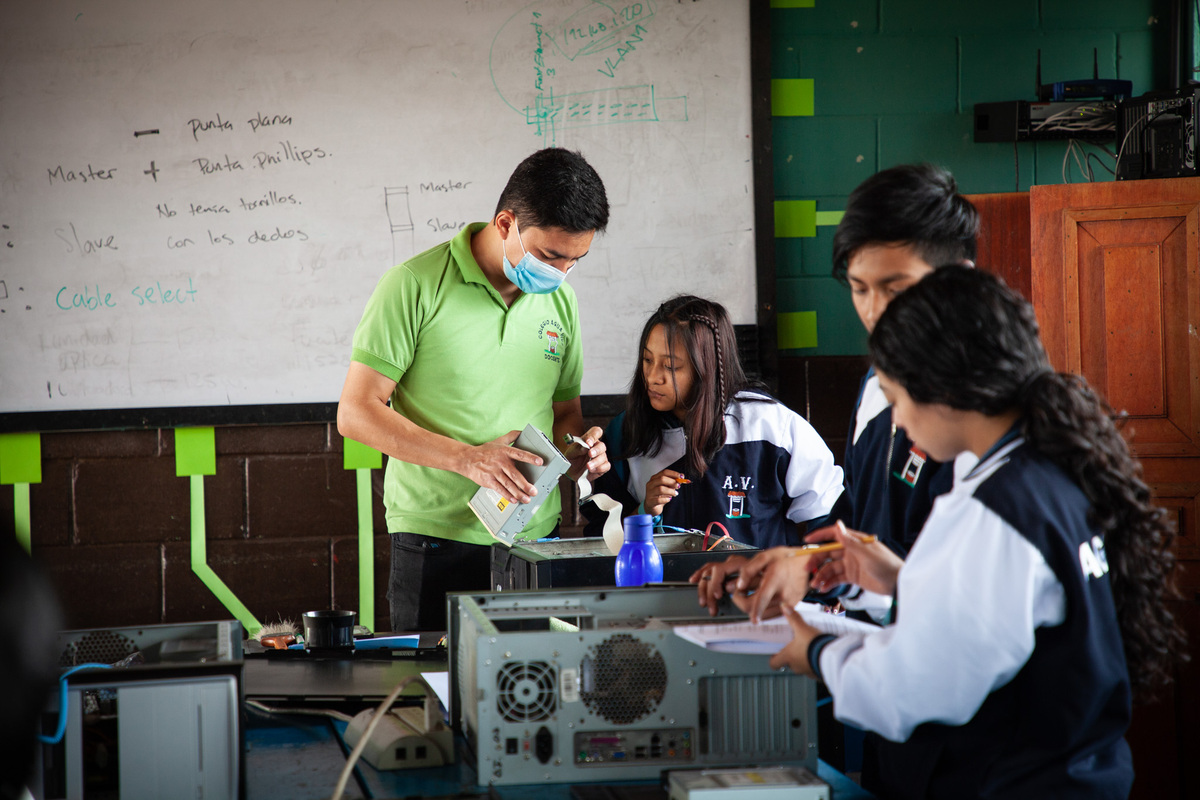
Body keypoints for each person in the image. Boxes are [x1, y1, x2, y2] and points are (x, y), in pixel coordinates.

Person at [725, 266, 1185, 799]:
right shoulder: (1044, 471)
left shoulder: (996, 509)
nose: (896, 424)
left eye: (896, 402)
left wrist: (816, 652)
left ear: (942, 387)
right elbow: (998, 620)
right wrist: (901, 580)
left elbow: (915, 690)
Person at [337, 148, 612, 632]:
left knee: (536, 693)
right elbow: (356, 412)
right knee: (437, 693)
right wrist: (469, 459)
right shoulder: (413, 286)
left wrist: (581, 450)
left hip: (534, 538)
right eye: (550, 256)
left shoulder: (560, 302)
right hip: (434, 536)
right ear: (505, 223)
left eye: (576, 260)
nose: (561, 274)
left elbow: (565, 411)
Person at [582, 295, 843, 549]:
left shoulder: (772, 426)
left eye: (671, 367)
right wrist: (644, 512)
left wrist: (806, 582)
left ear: (706, 369)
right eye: (648, 360)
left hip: (755, 590)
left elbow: (828, 513)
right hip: (666, 591)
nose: (652, 377)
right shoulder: (625, 434)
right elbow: (600, 540)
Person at [828, 163, 979, 557]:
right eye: (859, 289)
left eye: (895, 289)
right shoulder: (876, 383)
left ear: (959, 279)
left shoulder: (983, 400)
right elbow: (859, 519)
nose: (874, 311)